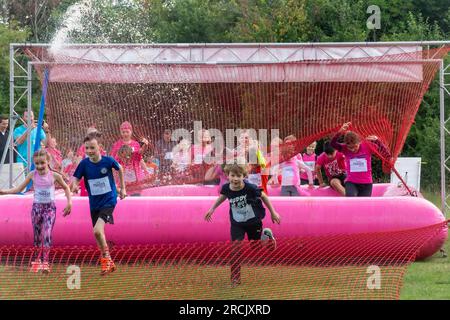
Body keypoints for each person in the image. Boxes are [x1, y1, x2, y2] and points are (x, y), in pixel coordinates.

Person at [204, 163, 281, 286]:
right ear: (227, 176)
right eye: (232, 175)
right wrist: (212, 209)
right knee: (235, 249)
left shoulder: (250, 188)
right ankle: (235, 278)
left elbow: (264, 196)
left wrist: (273, 212)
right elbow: (223, 197)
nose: (235, 178)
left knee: (255, 248)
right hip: (237, 224)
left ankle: (266, 235)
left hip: (253, 222)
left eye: (238, 176)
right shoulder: (226, 188)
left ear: (244, 176)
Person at [0, 149, 72, 273]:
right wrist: (4, 192)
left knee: (47, 233)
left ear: (48, 161)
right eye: (37, 163)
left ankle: (45, 262)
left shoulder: (54, 175)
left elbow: (66, 187)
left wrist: (69, 202)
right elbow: (19, 188)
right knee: (37, 235)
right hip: (37, 209)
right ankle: (37, 260)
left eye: (42, 163)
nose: (39, 166)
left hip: (49, 209)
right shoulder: (32, 175)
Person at [71, 132, 126, 275]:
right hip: (94, 203)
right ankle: (108, 262)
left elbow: (120, 168)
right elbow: (75, 178)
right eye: (87, 148)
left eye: (92, 148)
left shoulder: (108, 161)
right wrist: (75, 185)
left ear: (100, 147)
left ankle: (106, 260)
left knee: (96, 230)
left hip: (109, 200)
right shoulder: (84, 164)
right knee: (98, 233)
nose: (89, 151)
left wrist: (123, 188)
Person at [331, 122, 392, 197]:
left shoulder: (367, 146)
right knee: (350, 199)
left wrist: (378, 141)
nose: (353, 149)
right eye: (350, 147)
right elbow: (333, 144)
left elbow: (386, 154)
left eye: (355, 146)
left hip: (366, 183)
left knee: (364, 205)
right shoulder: (344, 149)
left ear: (359, 142)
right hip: (351, 182)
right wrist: (339, 132)